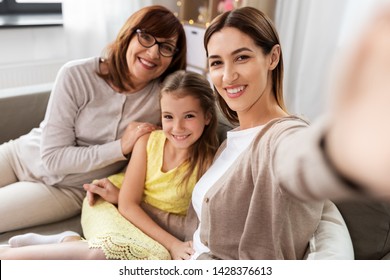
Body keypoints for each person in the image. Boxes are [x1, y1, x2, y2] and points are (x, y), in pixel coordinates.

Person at [184, 6, 390, 259]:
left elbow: (299, 161)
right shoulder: (231, 140)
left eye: (242, 57)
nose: (228, 76)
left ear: (272, 57)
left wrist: (348, 148)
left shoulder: (282, 136)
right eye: (217, 62)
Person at [0, 5, 187, 233]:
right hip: (19, 156)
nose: (153, 53)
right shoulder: (76, 74)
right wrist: (120, 147)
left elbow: (197, 105)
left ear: (173, 58)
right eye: (146, 37)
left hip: (66, 190)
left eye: (166, 47)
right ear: (129, 34)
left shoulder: (164, 100)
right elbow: (52, 158)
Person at [0, 70, 220, 260]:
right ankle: (7, 256)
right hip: (109, 204)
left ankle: (66, 240)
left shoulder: (210, 162)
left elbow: (193, 225)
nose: (177, 127)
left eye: (189, 116)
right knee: (107, 253)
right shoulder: (149, 142)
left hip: (140, 218)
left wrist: (172, 244)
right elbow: (127, 204)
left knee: (153, 259)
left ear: (207, 116)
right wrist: (172, 244)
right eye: (168, 116)